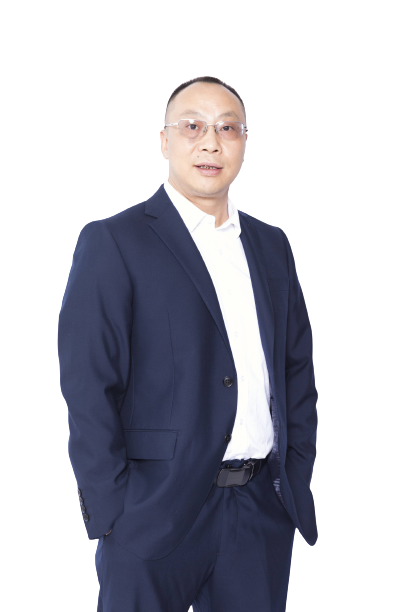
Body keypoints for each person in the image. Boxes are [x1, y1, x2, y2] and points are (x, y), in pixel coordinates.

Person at [58, 75, 318, 612]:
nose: (210, 143)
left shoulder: (271, 245)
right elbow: (89, 383)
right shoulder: (115, 240)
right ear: (164, 141)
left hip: (259, 514)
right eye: (193, 126)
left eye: (227, 128)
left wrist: (292, 475)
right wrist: (112, 509)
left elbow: (296, 371)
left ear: (243, 142)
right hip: (152, 514)